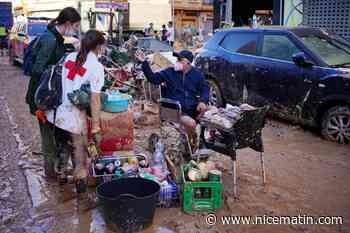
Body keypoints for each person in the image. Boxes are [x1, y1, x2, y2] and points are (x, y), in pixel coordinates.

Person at [25, 7, 81, 178]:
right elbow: (38, 71)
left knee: (57, 137)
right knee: (49, 141)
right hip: (43, 100)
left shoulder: (56, 38)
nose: (77, 30)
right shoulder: (50, 40)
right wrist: (38, 105)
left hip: (49, 98)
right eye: (76, 26)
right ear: (68, 24)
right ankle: (50, 179)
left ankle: (56, 174)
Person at [45, 29, 105, 182]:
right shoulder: (95, 66)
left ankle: (61, 179)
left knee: (62, 146)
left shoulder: (69, 57)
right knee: (80, 158)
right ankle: (80, 191)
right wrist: (96, 127)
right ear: (98, 46)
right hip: (74, 118)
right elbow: (95, 99)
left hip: (56, 114)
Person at [135, 49, 209, 137]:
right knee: (191, 123)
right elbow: (153, 79)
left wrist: (203, 101)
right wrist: (144, 63)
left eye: (180, 60)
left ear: (188, 63)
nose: (177, 62)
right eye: (177, 60)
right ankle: (190, 142)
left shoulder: (197, 74)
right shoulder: (170, 72)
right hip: (174, 109)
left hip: (192, 107)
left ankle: (204, 139)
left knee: (213, 114)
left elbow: (205, 89)